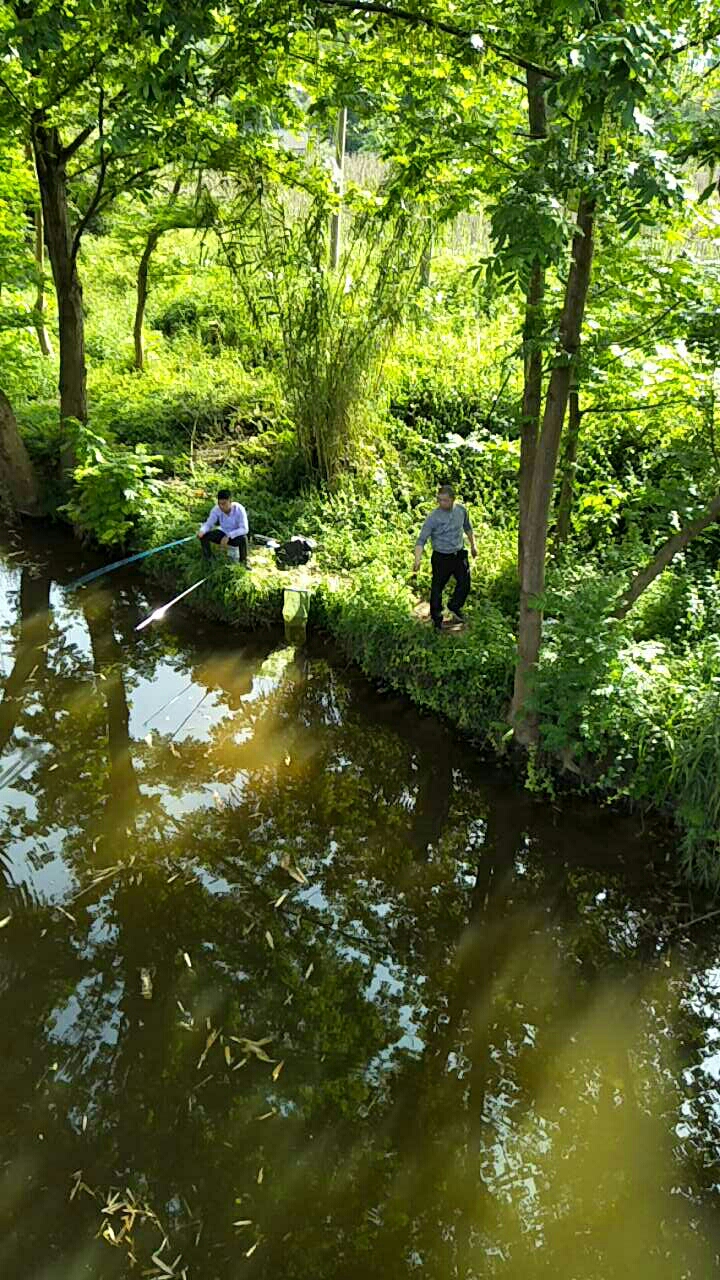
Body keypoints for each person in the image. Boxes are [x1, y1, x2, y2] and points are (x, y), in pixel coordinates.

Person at [412, 484, 477, 631]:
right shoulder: (433, 517)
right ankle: (437, 619)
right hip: (441, 557)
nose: (442, 503)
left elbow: (468, 528)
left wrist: (473, 545)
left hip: (459, 554)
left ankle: (454, 606)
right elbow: (421, 540)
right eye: (439, 500)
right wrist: (417, 560)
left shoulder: (461, 511)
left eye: (445, 500)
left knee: (465, 584)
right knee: (437, 588)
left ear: (453, 499)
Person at [197, 489, 249, 564]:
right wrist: (202, 531)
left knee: (243, 538)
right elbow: (209, 524)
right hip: (223, 532)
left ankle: (243, 562)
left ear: (230, 501)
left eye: (224, 504)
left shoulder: (239, 509)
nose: (221, 506)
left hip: (235, 535)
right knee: (204, 536)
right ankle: (209, 560)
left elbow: (244, 529)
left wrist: (229, 536)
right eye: (219, 504)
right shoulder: (216, 509)